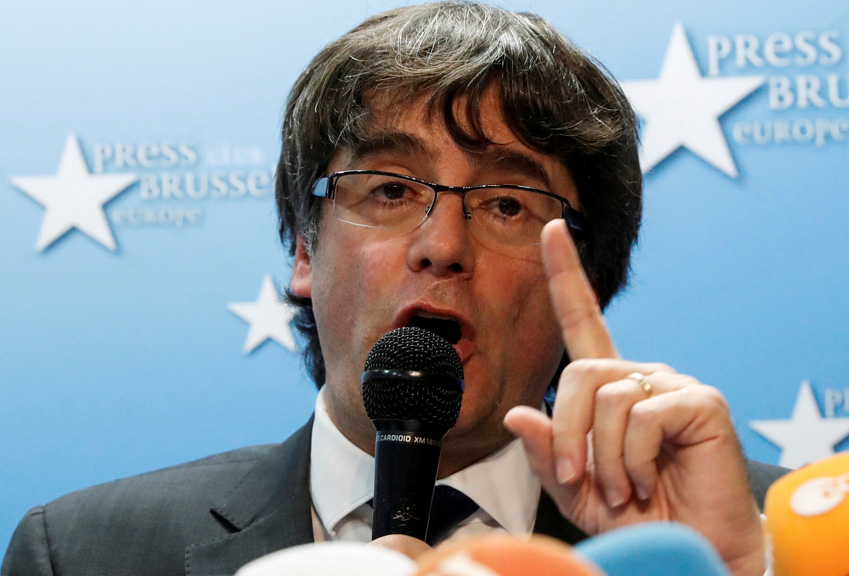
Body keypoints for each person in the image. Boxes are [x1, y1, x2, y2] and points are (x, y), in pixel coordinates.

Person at [2, 3, 785, 576]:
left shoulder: (753, 538)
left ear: (587, 276)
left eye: (507, 204)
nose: (442, 246)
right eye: (390, 190)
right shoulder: (83, 551)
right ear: (303, 248)